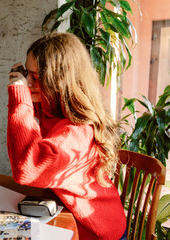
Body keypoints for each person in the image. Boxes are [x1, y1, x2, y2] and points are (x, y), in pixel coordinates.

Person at [7, 32, 126, 240]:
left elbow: (26, 169)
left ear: (60, 82)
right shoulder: (54, 108)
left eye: (36, 77)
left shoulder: (77, 134)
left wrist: (20, 97)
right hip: (72, 213)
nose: (28, 82)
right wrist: (25, 90)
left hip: (97, 230)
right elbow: (24, 130)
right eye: (27, 73)